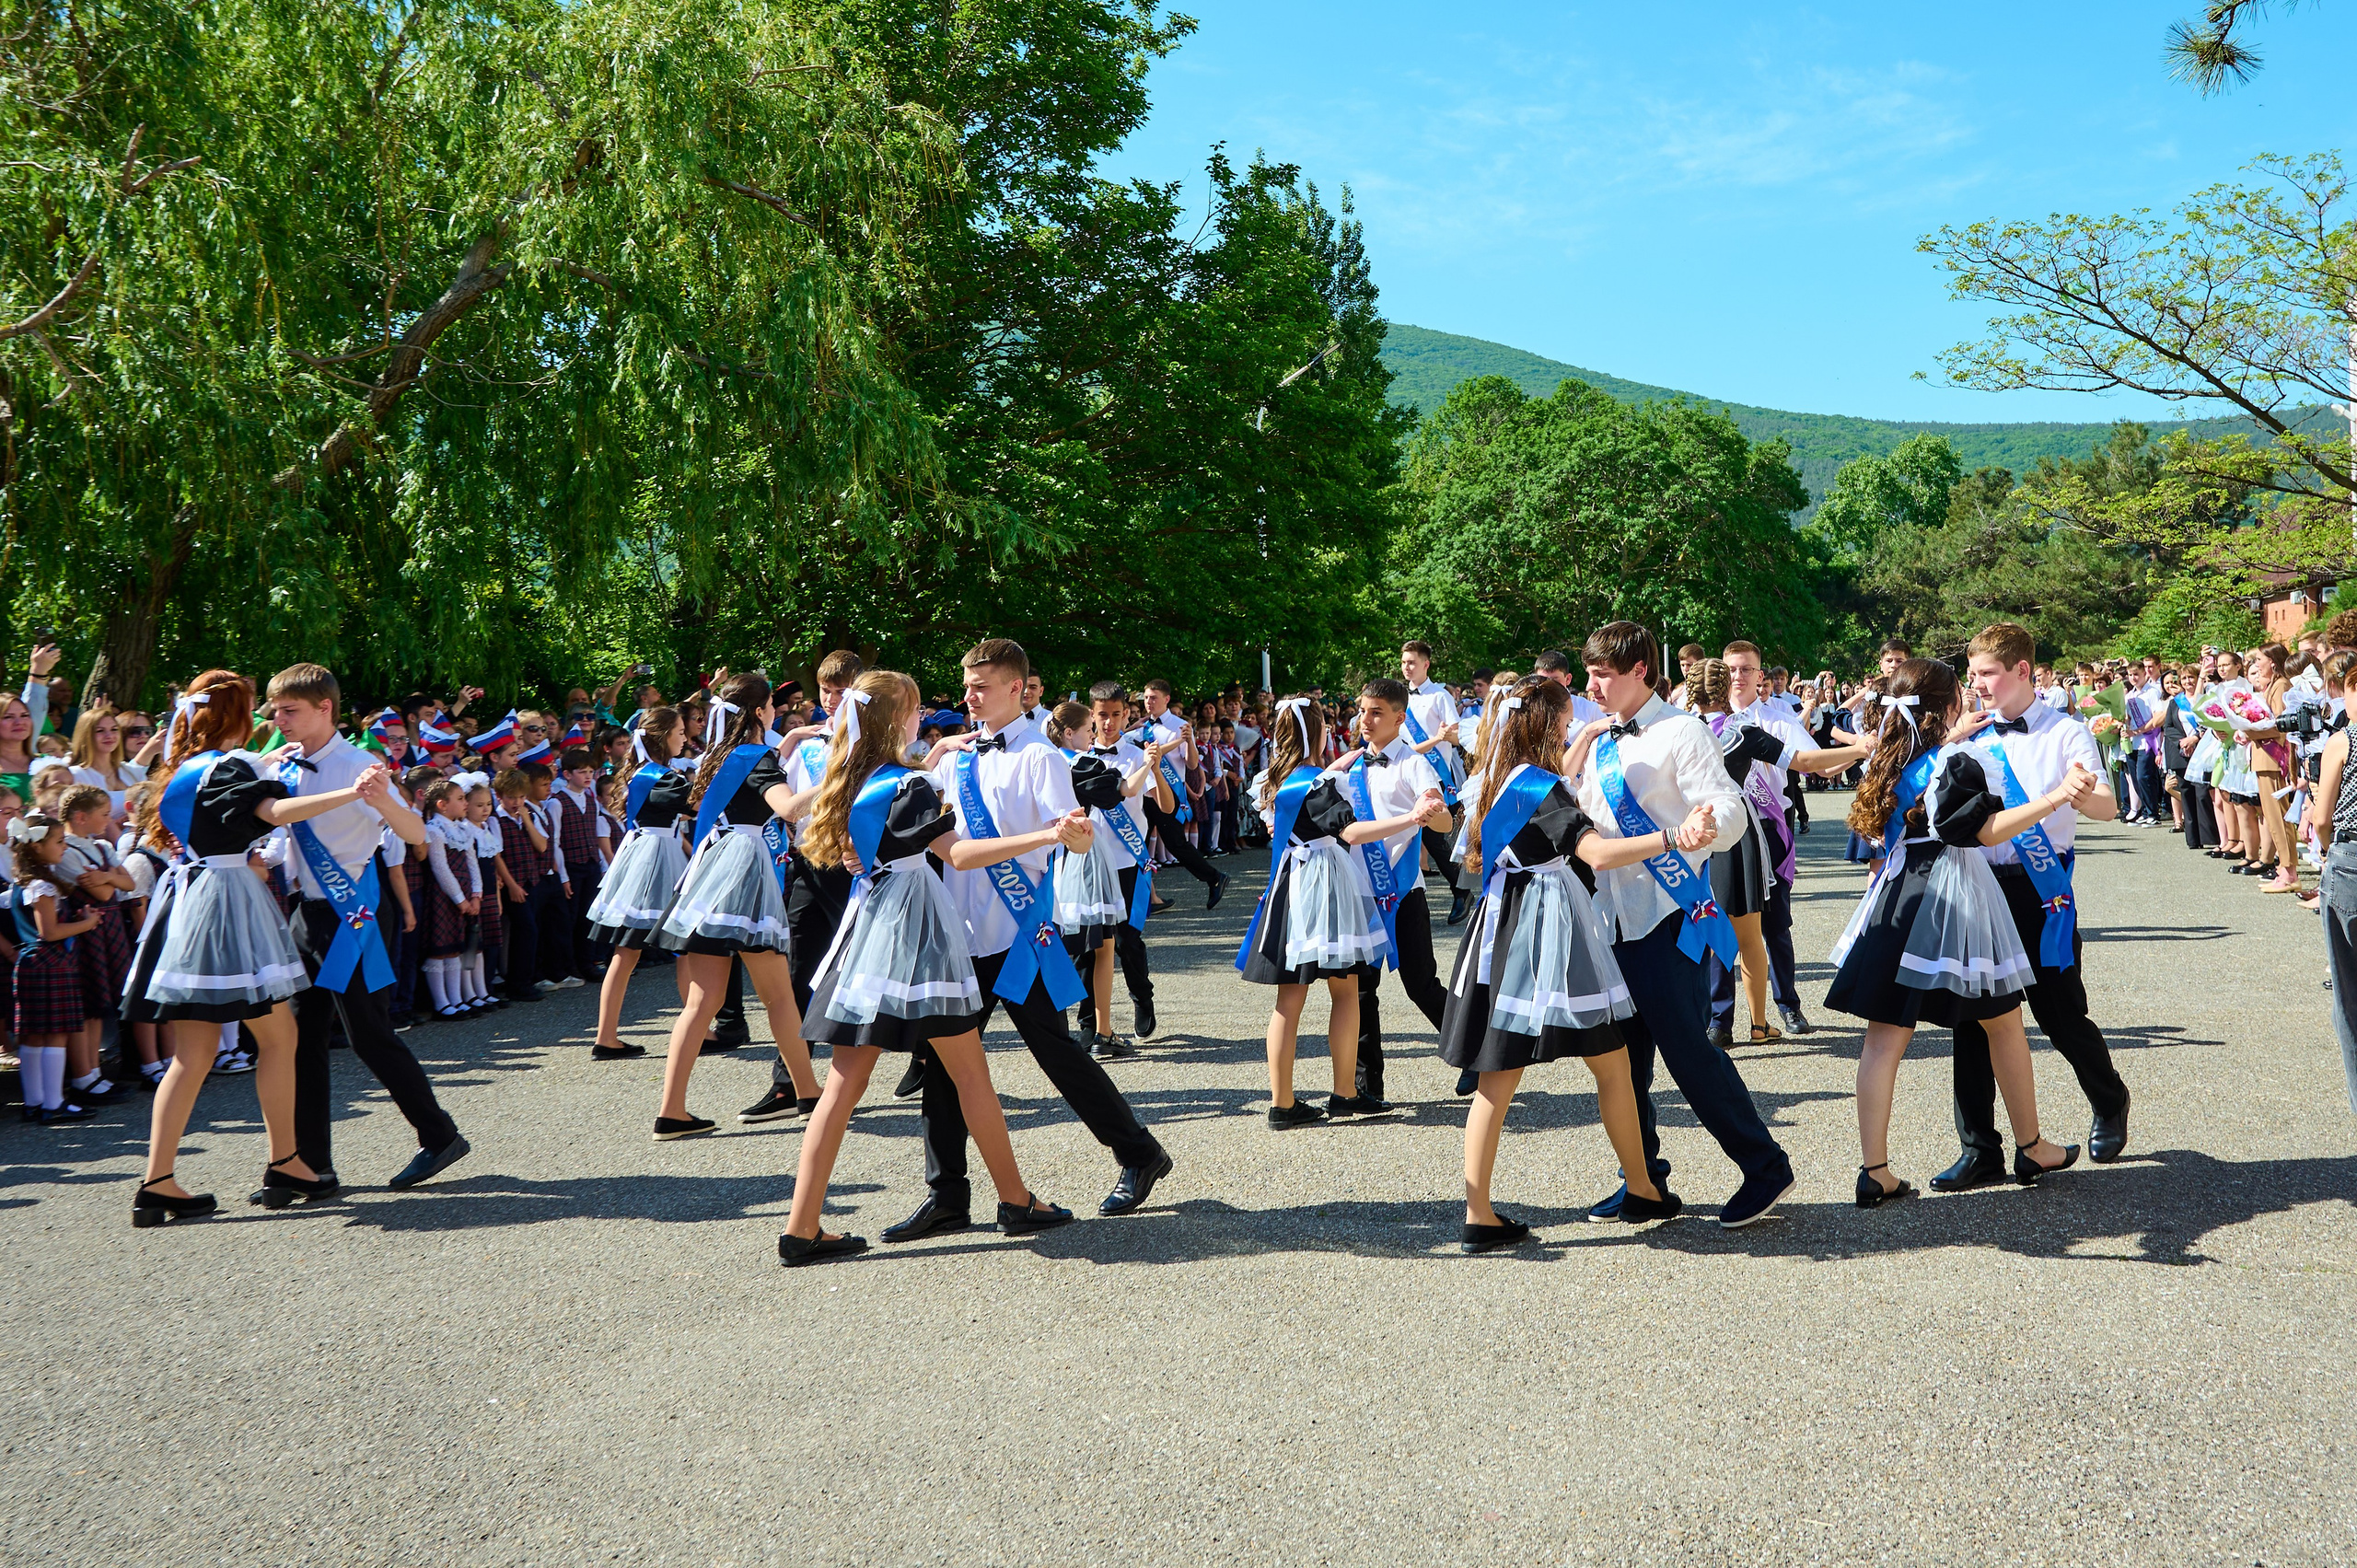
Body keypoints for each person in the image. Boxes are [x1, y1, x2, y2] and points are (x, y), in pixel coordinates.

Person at [783, 670, 1081, 1264]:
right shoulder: (908, 784)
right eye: (916, 709)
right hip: (918, 931)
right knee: (971, 1075)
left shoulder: (852, 777)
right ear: (899, 718)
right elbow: (961, 856)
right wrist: (1044, 835)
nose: (922, 718)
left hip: (869, 929)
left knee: (842, 1086)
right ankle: (1016, 1200)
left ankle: (801, 1226)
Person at [887, 638, 1174, 1240]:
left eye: (981, 686)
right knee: (944, 1064)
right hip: (961, 933)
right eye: (966, 686)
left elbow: (1077, 835)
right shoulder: (955, 759)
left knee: (1057, 1051)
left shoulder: (1041, 757)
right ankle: (947, 1194)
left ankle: (1139, 1152)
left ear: (1017, 688)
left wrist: (1075, 834)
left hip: (1019, 933)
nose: (969, 696)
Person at [122, 670, 392, 1224]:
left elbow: (223, 803)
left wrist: (265, 764)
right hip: (228, 901)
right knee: (280, 1036)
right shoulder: (235, 767)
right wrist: (354, 791)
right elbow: (275, 813)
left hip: (189, 897)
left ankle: (157, 1181)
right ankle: (286, 1161)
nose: (266, 718)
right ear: (238, 715)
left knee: (192, 1055)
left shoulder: (184, 770)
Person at [1825, 656, 2093, 1205]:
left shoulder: (1890, 757)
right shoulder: (1955, 759)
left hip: (1897, 891)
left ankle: (1875, 1170)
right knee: (2005, 1023)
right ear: (1949, 706)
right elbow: (1979, 831)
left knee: (1884, 1038)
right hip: (1953, 894)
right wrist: (2055, 798)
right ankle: (2031, 1145)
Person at [1442, 676, 1693, 1251]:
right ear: (1544, 725)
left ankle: (1478, 1213)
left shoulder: (1491, 779)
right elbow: (1597, 854)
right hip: (1550, 927)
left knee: (1496, 1078)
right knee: (1612, 1063)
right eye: (1561, 725)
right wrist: (1672, 836)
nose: (1566, 734)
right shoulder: (1544, 789)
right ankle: (1640, 1186)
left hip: (1500, 926)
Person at [1568, 622, 1797, 1229]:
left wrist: (1707, 826)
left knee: (1689, 1054)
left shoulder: (1682, 730)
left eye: (1602, 674)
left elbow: (1727, 806)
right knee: (1624, 1064)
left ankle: (1765, 1166)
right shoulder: (1598, 738)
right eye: (1589, 673)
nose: (1591, 685)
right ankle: (1643, 1182)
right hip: (1610, 921)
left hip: (1666, 916)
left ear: (1640, 670)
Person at [1932, 622, 2133, 1191]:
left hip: (2041, 890)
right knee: (1973, 1020)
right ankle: (1979, 1149)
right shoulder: (1968, 736)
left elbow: (2105, 806)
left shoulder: (2065, 731)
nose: (1977, 685)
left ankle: (2109, 1099)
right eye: (1972, 675)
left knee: (2059, 1012)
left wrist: (2082, 793)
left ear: (2023, 670)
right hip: (1981, 886)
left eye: (1988, 674)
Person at [265, 664, 469, 1190]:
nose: (278, 719)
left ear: (325, 708)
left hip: (349, 914)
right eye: (276, 710)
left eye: (289, 710)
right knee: (301, 1040)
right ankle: (311, 1165)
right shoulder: (286, 762)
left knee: (369, 1036)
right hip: (306, 913)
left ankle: (439, 1135)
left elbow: (415, 832)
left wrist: (380, 799)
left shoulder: (360, 765)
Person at [1238, 694, 1441, 1124]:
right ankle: (1345, 1092)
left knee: (1288, 999)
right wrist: (1411, 819)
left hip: (1290, 886)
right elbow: (1351, 832)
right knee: (1346, 990)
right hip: (1324, 886)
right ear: (1317, 732)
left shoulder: (1276, 780)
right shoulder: (1319, 783)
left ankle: (1282, 1102)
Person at [647, 673, 820, 1138]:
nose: (776, 713)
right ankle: (807, 1092)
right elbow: (789, 809)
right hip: (743, 871)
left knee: (701, 1002)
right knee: (778, 995)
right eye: (772, 707)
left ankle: (672, 1111)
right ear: (761, 711)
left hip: (710, 868)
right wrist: (840, 779)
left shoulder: (716, 756)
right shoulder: (755, 757)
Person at [1328, 677, 1454, 1107]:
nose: (1365, 719)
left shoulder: (1413, 764)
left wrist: (1431, 811)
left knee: (1421, 984)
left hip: (1402, 891)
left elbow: (1443, 821)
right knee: (1361, 991)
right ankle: (1367, 1086)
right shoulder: (1348, 765)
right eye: (1362, 710)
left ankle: (1473, 1053)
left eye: (1376, 712)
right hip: (1358, 893)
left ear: (1400, 718)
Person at [583, 706, 691, 1060]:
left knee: (634, 951)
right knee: (677, 944)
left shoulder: (648, 773)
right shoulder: (660, 777)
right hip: (654, 860)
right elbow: (697, 803)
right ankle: (697, 1029)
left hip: (651, 855)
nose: (685, 738)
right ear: (662, 737)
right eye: (679, 732)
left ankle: (607, 1036)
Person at [12, 810, 101, 1125]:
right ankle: (54, 1104)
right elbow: (48, 932)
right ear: (37, 847)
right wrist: (87, 923)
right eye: (59, 842)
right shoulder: (41, 885)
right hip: (49, 962)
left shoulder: (24, 883)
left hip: (35, 962)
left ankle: (35, 1103)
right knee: (56, 1035)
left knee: (35, 1036)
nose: (64, 847)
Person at [1127, 679, 1229, 910]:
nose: (1149, 702)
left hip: (1168, 793)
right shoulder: (1142, 725)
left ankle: (1214, 877)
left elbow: (1192, 764)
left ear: (1166, 699)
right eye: (1146, 698)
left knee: (1176, 844)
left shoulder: (1179, 726)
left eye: (1153, 698)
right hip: (1145, 792)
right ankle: (1146, 898)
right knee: (1137, 843)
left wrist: (1189, 741)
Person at [2307, 650, 2357, 1116]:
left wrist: (2325, 849)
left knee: (2349, 996)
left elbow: (2322, 819)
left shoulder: (2342, 741)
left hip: (2350, 861)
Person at [1399, 641, 1471, 924]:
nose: (1407, 667)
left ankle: (1461, 889)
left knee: (1434, 838)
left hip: (1432, 776)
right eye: (1404, 662)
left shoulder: (1440, 696)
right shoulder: (1399, 696)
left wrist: (1440, 738)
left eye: (1412, 662)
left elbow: (1455, 733)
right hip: (1402, 774)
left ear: (1426, 664)